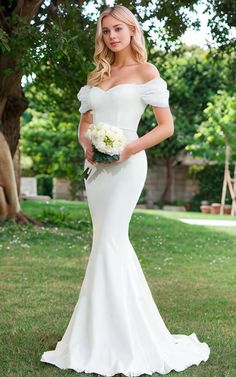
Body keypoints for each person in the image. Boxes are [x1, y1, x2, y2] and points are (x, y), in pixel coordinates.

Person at [40, 4, 210, 376]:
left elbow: (165, 127)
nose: (112, 36)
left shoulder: (146, 72)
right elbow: (84, 125)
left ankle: (118, 337)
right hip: (95, 167)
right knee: (104, 239)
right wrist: (88, 144)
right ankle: (103, 331)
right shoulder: (96, 75)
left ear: (132, 31)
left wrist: (127, 148)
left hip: (129, 163)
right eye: (105, 31)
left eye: (118, 29)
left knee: (111, 240)